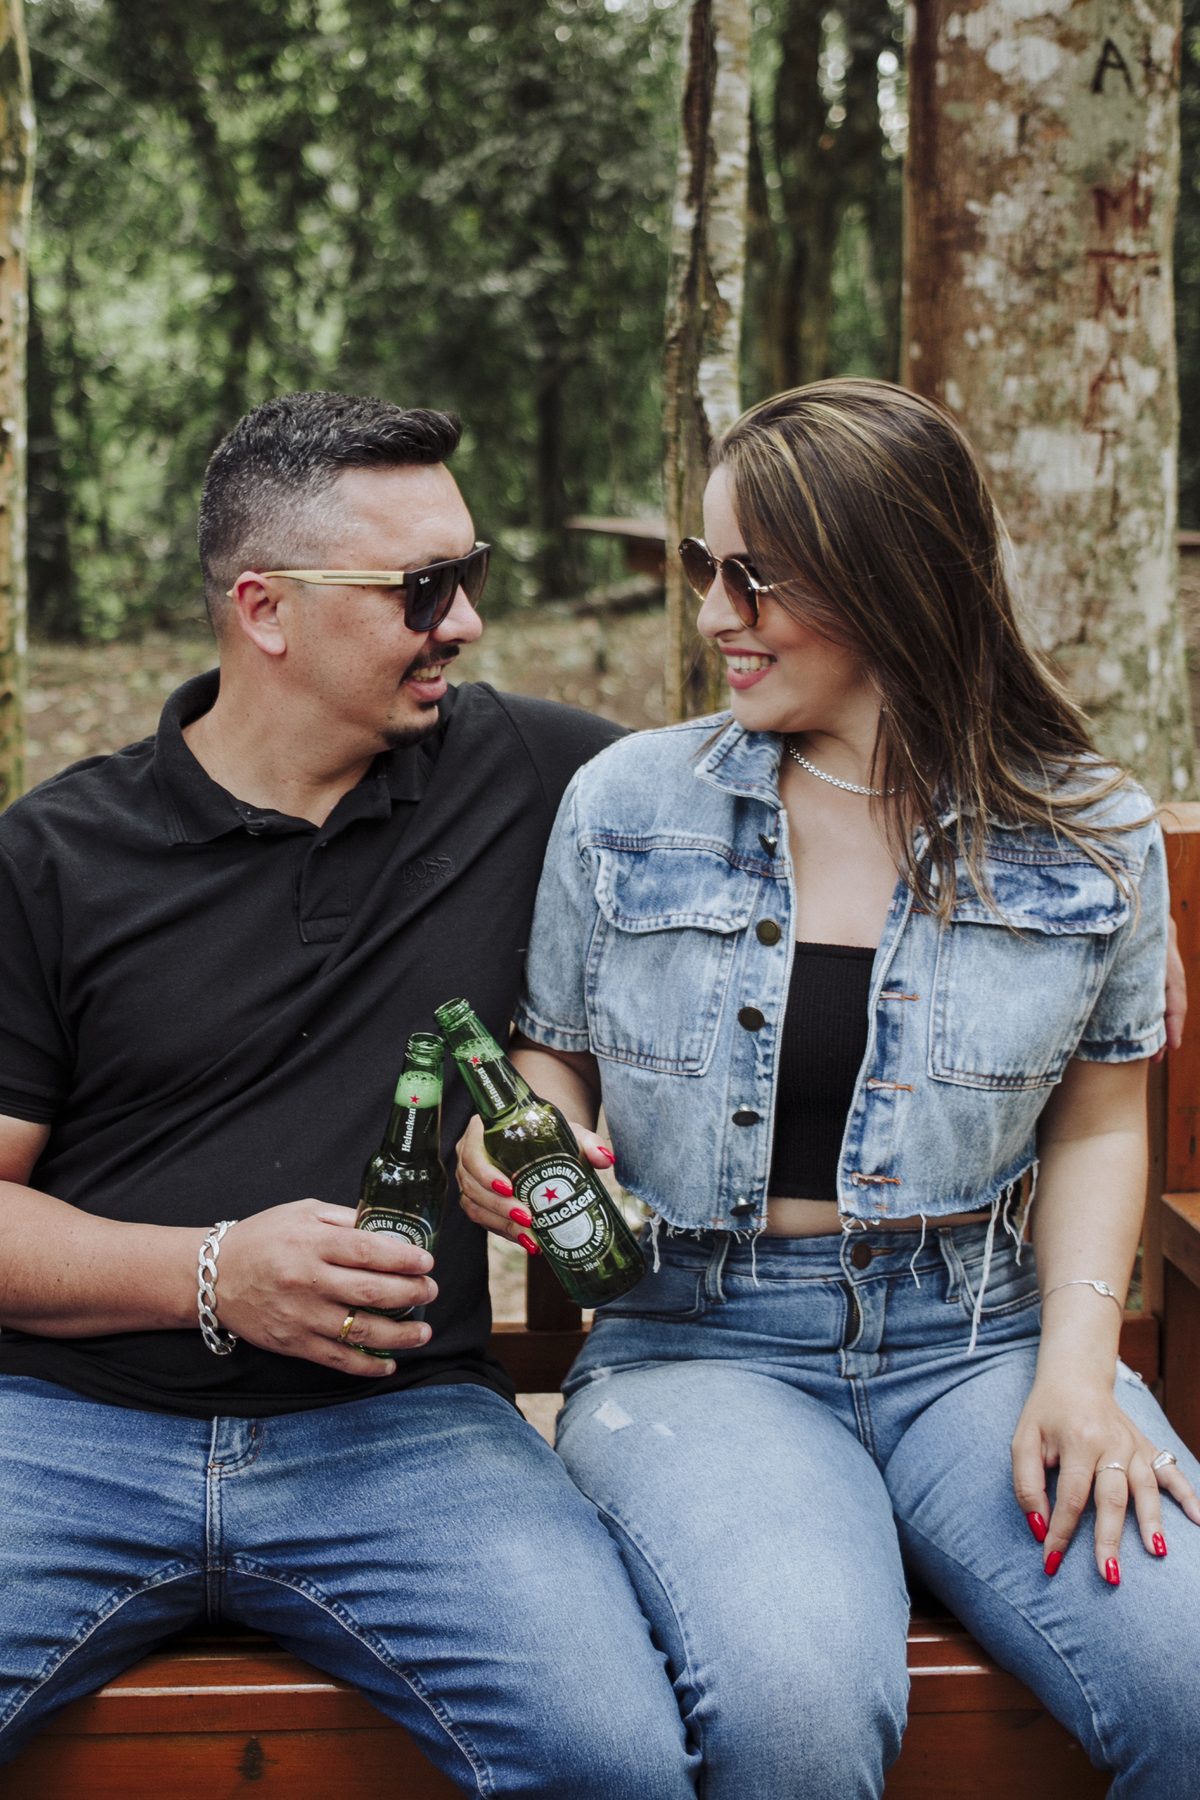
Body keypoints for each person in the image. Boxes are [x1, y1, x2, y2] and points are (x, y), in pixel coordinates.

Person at [458, 379, 1200, 1798]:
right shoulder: (631, 803)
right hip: (702, 1347)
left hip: (983, 1342)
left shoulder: (1086, 832)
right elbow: (552, 1048)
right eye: (705, 567)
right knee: (795, 1710)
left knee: (1190, 1678)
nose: (711, 613)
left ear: (889, 576)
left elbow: (1103, 1121)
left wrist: (1077, 1372)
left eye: (751, 576)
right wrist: (524, 1139)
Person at [0, 392, 697, 1798]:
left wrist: (1104, 881)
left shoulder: (536, 775)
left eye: (469, 574)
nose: (466, 622)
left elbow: (811, 773)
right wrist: (215, 1273)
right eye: (420, 589)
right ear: (265, 609)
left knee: (614, 1759)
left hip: (405, 1432)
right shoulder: (58, 854)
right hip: (65, 1429)